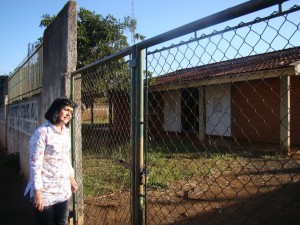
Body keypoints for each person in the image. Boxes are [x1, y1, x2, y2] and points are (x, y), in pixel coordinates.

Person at [24, 97, 78, 225]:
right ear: (56, 110)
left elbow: (65, 157)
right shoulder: (42, 133)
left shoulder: (65, 132)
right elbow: (35, 164)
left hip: (62, 190)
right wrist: (37, 192)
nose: (69, 114)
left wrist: (71, 178)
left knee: (62, 222)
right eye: (65, 110)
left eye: (71, 111)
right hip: (45, 192)